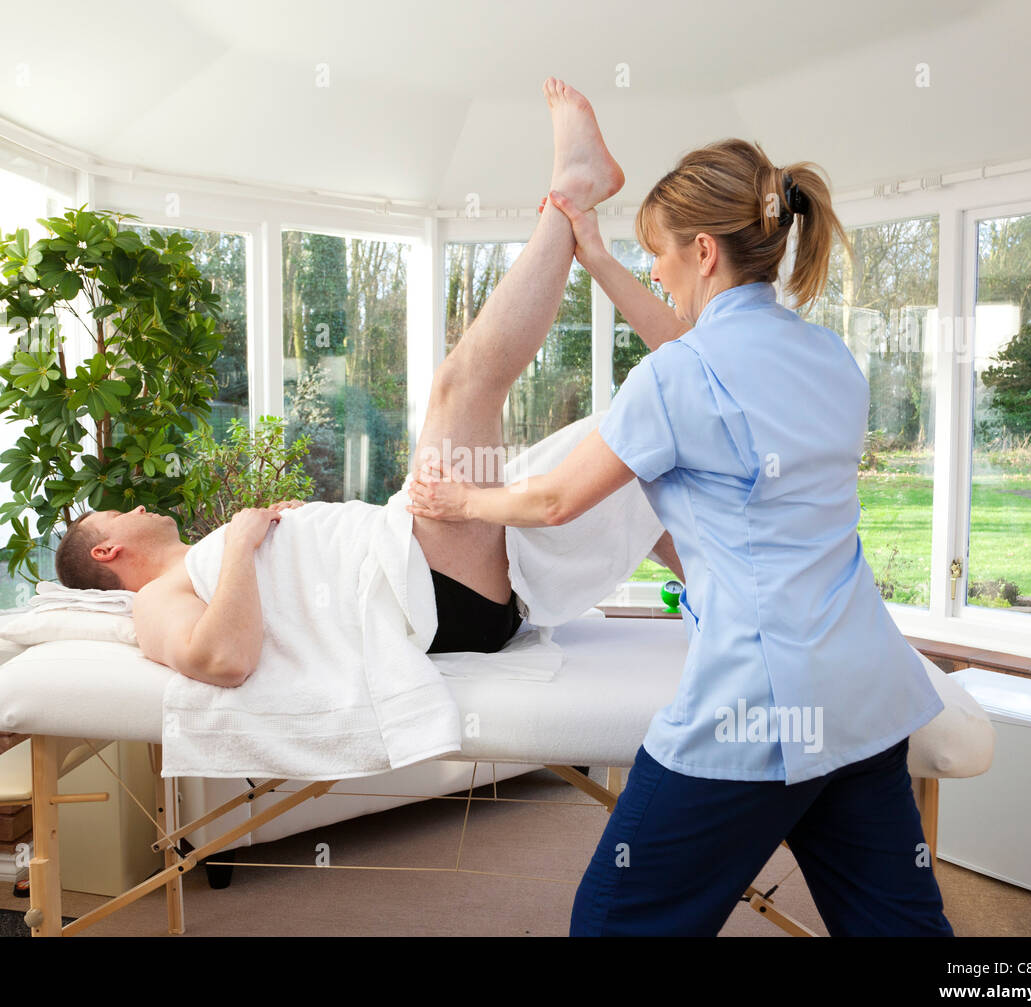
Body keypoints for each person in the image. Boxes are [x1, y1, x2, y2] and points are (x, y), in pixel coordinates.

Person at [406, 139, 953, 936]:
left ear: (702, 250)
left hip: (760, 702)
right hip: (867, 687)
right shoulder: (828, 356)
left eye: (657, 254)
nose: (655, 270)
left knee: (612, 920)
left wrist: (466, 499)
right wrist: (597, 260)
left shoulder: (678, 378)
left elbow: (557, 499)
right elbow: (700, 356)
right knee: (898, 926)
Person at [52, 77, 684, 686]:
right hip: (434, 593)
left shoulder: (199, 560)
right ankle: (574, 185)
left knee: (623, 456)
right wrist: (244, 545)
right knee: (460, 386)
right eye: (118, 513)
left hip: (425, 571)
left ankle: (725, 601)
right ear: (106, 552)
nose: (137, 505)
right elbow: (222, 660)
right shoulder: (156, 599)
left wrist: (295, 538)